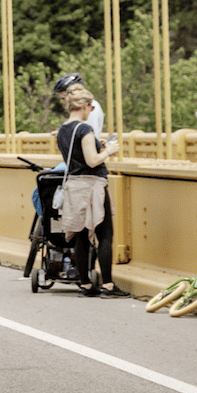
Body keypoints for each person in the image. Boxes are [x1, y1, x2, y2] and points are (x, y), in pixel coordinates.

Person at [55, 86, 130, 298]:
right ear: (86, 106)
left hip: (74, 185)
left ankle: (85, 284)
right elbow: (92, 160)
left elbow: (76, 154)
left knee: (81, 236)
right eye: (91, 107)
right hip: (92, 186)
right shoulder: (84, 129)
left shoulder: (62, 129)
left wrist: (98, 145)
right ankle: (107, 285)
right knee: (104, 234)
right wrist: (108, 151)